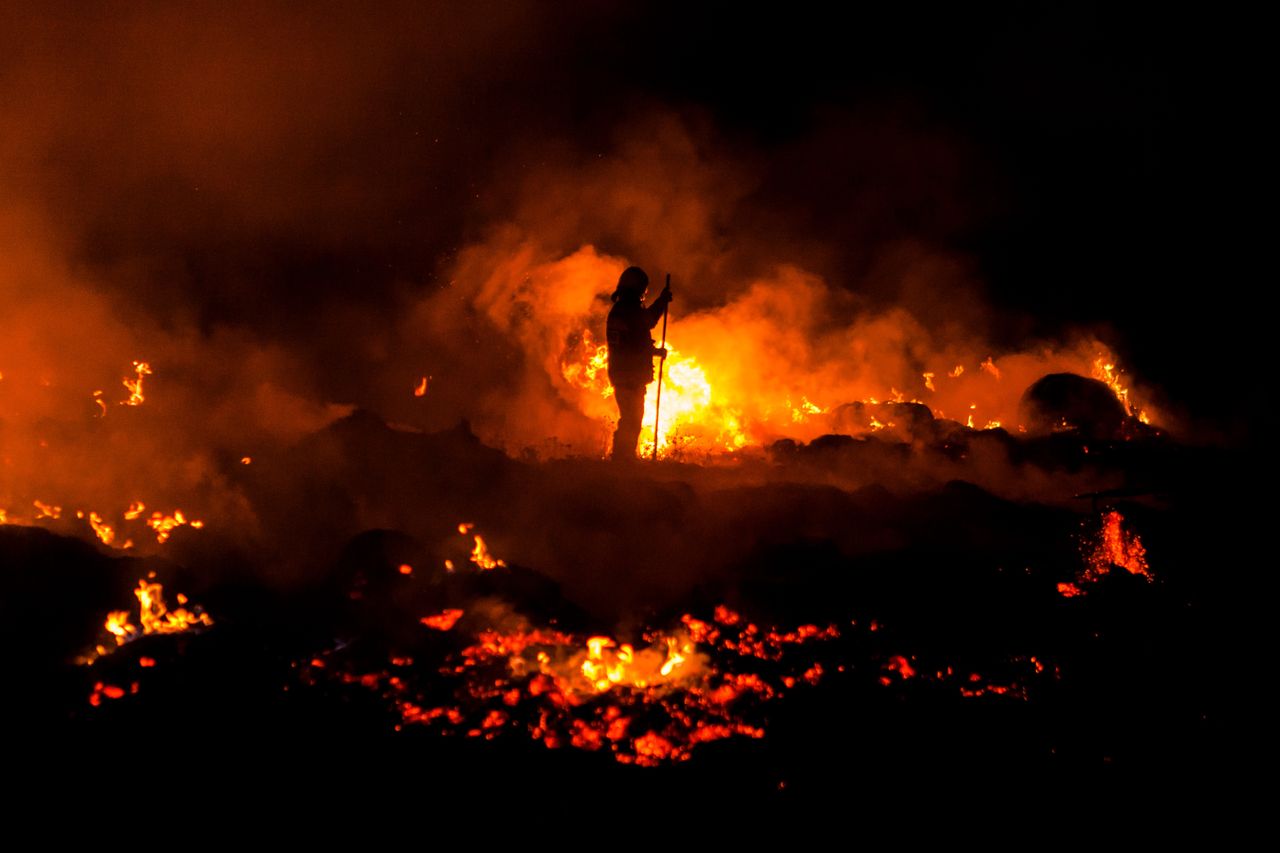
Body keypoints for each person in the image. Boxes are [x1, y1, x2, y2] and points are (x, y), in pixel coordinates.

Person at [606, 266, 672, 461]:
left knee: (631, 419)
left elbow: (632, 343)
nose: (644, 293)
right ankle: (622, 460)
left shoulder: (621, 310)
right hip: (629, 376)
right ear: (638, 289)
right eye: (643, 289)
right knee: (631, 420)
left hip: (623, 373)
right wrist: (661, 302)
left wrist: (654, 351)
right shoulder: (628, 310)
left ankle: (623, 458)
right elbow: (648, 321)